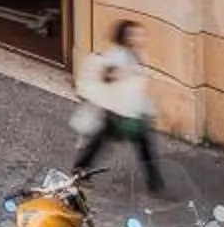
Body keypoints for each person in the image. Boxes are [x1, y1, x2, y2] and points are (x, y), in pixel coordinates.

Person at [70, 19, 168, 194]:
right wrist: (121, 73)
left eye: (140, 34)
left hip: (128, 110)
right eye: (135, 35)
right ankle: (154, 182)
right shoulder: (120, 55)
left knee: (114, 142)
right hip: (117, 112)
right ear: (125, 37)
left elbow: (135, 85)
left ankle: (154, 182)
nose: (139, 38)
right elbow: (106, 76)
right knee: (103, 142)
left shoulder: (136, 55)